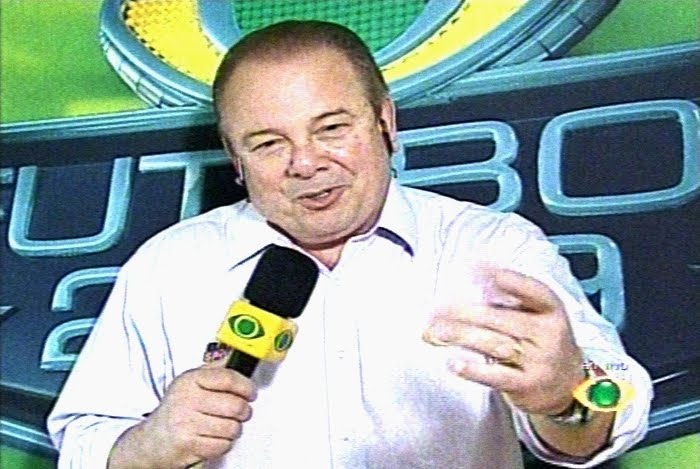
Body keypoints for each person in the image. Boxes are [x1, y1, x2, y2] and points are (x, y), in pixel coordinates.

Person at [47, 20, 652, 468]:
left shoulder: (493, 248)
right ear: (235, 158)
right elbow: (81, 441)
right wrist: (149, 446)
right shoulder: (169, 266)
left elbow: (617, 404)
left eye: (332, 128)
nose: (306, 163)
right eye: (268, 143)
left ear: (385, 123)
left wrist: (565, 397)